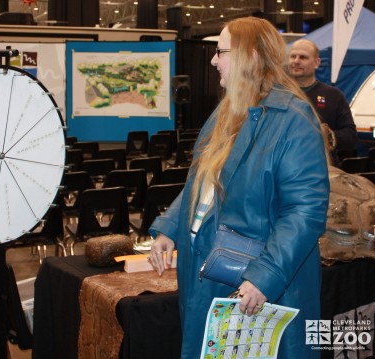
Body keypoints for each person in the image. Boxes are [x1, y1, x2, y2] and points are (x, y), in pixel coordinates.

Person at [147, 17, 329, 359]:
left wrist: (266, 276)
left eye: (221, 51)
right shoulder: (227, 110)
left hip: (259, 281)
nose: (213, 60)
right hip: (211, 271)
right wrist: (170, 227)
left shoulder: (293, 120)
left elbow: (305, 212)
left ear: (252, 55)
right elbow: (202, 180)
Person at [288, 39, 358, 165]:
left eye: (303, 57)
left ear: (316, 63)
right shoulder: (278, 94)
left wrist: (328, 136)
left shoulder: (333, 95)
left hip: (323, 169)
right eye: (293, 56)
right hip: (286, 168)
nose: (296, 61)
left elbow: (351, 137)